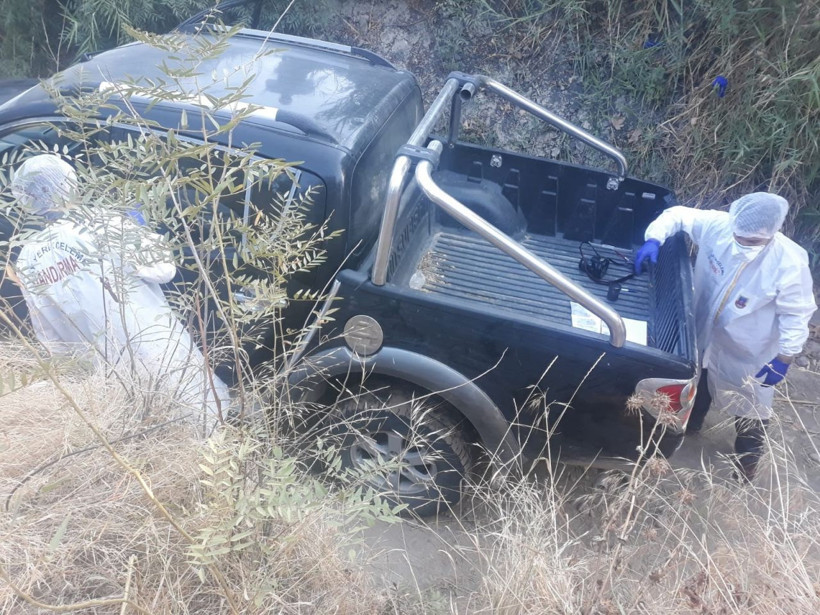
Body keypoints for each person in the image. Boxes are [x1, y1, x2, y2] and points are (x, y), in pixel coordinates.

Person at [10, 154, 230, 435]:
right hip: (156, 349)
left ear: (26, 200)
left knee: (148, 438)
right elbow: (164, 269)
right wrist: (142, 231)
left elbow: (49, 335)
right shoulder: (103, 222)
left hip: (105, 374)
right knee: (204, 421)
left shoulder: (28, 258)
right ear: (71, 182)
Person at [634, 192, 816, 481]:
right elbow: (677, 215)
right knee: (700, 377)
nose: (743, 244)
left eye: (753, 241)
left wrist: (785, 357)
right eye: (739, 236)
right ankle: (691, 425)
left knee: (752, 408)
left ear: (771, 234)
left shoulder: (789, 264)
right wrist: (654, 239)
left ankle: (746, 464)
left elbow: (797, 314)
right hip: (706, 328)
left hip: (749, 349)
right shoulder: (718, 227)